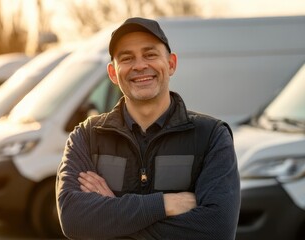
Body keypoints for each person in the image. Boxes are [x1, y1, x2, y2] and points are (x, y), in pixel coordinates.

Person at [55, 17, 240, 239]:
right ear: (113, 73)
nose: (140, 65)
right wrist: (163, 205)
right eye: (127, 58)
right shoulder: (87, 136)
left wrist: (112, 214)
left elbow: (216, 230)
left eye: (150, 54)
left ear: (171, 64)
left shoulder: (211, 136)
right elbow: (74, 220)